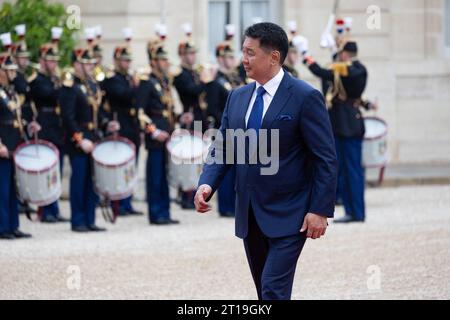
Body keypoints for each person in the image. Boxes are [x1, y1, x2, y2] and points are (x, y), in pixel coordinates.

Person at [195, 22, 338, 300]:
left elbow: (325, 158)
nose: (243, 59)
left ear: (273, 57)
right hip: (250, 214)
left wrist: (320, 209)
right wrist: (206, 184)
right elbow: (223, 146)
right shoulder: (237, 97)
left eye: (250, 53)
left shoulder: (305, 96)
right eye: (243, 52)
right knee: (264, 290)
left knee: (273, 288)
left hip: (291, 214)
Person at [304, 40, 373, 224]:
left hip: (349, 125)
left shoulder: (356, 69)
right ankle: (351, 210)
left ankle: (357, 212)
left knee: (353, 170)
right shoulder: (344, 69)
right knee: (342, 170)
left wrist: (306, 56)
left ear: (345, 53)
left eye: (340, 52)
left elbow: (322, 71)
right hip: (339, 125)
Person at [59, 48, 119, 232]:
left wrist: (106, 123)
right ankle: (78, 220)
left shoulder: (92, 84)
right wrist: (80, 139)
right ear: (77, 65)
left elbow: (97, 111)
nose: (90, 66)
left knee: (92, 181)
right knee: (79, 180)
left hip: (93, 139)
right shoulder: (70, 86)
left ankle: (90, 219)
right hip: (79, 141)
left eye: (91, 63)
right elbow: (68, 118)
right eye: (86, 63)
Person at [136, 41, 180, 225]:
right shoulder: (146, 83)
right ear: (153, 61)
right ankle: (155, 213)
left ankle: (165, 211)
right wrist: (153, 132)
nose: (166, 63)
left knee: (164, 175)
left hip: (167, 135)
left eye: (166, 59)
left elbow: (168, 110)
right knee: (154, 176)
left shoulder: (164, 82)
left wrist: (178, 121)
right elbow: (140, 112)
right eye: (162, 60)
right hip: (156, 137)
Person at [0, 52, 40, 239]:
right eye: (10, 70)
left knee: (13, 188)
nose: (14, 74)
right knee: (2, 188)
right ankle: (2, 227)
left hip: (14, 143)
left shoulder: (10, 91)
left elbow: (14, 117)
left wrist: (28, 125)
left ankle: (12, 225)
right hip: (3, 145)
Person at [29, 43, 69, 223]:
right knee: (45, 170)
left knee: (57, 170)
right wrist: (62, 86)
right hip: (45, 125)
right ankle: (44, 210)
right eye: (50, 61)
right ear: (42, 61)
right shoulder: (37, 80)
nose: (54, 64)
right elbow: (51, 96)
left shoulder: (54, 80)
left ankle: (54, 208)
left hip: (56, 126)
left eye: (55, 61)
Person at [173, 37, 214, 209]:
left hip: (200, 118)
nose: (192, 57)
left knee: (200, 158)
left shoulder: (195, 73)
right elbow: (192, 90)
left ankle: (197, 193)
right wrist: (206, 81)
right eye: (188, 54)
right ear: (182, 56)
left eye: (193, 53)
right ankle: (186, 195)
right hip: (190, 119)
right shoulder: (180, 75)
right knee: (188, 159)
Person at [103, 45, 143, 216]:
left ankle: (128, 200)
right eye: (124, 61)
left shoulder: (128, 78)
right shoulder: (113, 79)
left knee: (131, 166)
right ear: (117, 61)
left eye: (128, 61)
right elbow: (124, 95)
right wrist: (135, 86)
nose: (127, 64)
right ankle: (118, 202)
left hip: (132, 124)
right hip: (121, 123)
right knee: (120, 165)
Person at [206, 41, 244, 218]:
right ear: (220, 58)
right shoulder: (216, 81)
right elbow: (213, 108)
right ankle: (226, 206)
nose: (230, 60)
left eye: (231, 57)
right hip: (226, 131)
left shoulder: (236, 78)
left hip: (241, 131)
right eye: (227, 57)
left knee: (239, 170)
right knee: (226, 170)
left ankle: (236, 204)